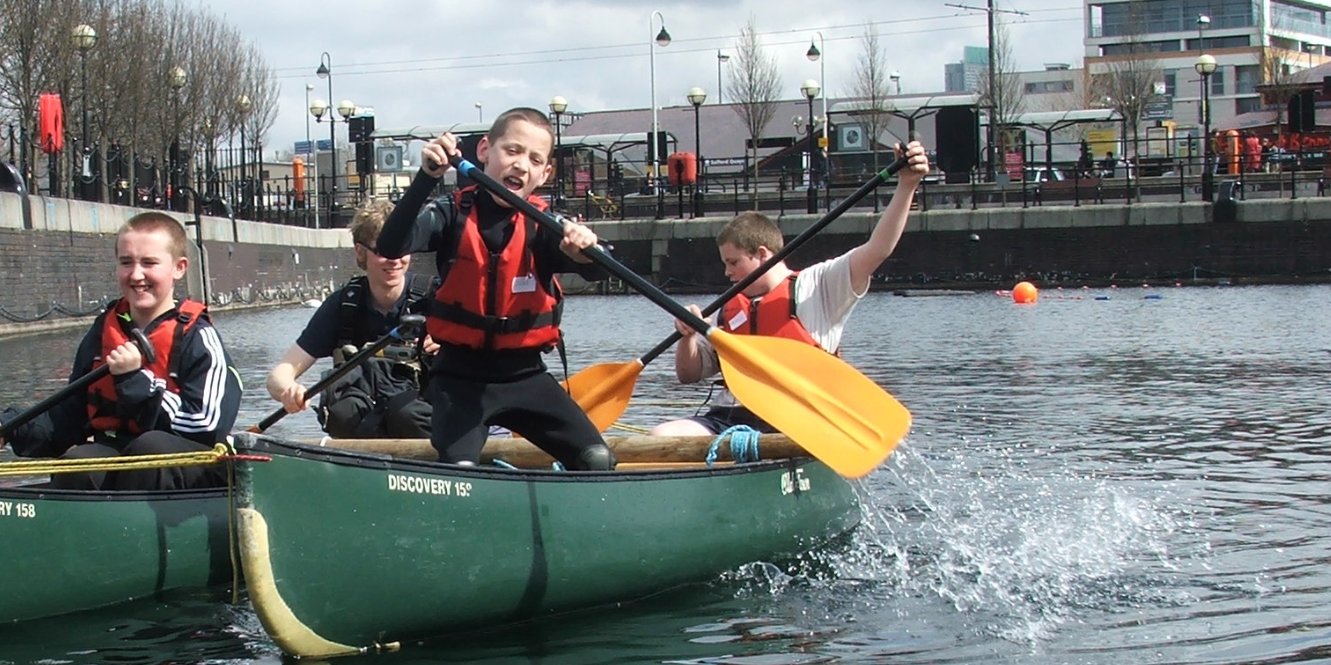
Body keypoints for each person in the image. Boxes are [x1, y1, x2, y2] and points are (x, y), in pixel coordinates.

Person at [375, 107, 615, 470]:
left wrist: (584, 251)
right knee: (462, 470)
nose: (521, 165)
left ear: (545, 173)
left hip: (525, 376)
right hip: (459, 378)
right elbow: (391, 244)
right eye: (513, 151)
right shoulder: (450, 213)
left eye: (535, 159)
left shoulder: (546, 225)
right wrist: (426, 177)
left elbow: (599, 270)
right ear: (485, 151)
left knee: (596, 459)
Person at [650, 140, 930, 437]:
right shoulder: (727, 309)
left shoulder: (820, 285)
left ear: (761, 253)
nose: (727, 272)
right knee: (661, 437)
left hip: (798, 420)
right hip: (730, 418)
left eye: (733, 262)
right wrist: (688, 337)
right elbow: (688, 374)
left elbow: (878, 249)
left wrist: (907, 186)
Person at [0, 212, 240, 490]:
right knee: (79, 463)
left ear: (179, 268)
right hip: (121, 451)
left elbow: (206, 426)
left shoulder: (199, 337)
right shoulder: (103, 331)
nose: (136, 275)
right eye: (126, 263)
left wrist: (135, 381)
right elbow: (70, 413)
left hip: (189, 466)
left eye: (149, 263)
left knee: (150, 448)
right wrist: (10, 426)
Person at [266, 198, 438, 439]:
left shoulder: (438, 297)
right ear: (360, 251)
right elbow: (279, 375)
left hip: (423, 429)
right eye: (385, 251)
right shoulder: (342, 305)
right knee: (343, 411)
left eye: (402, 249)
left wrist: (454, 346)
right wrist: (288, 390)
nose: (395, 260)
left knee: (406, 414)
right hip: (364, 434)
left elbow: (485, 359)